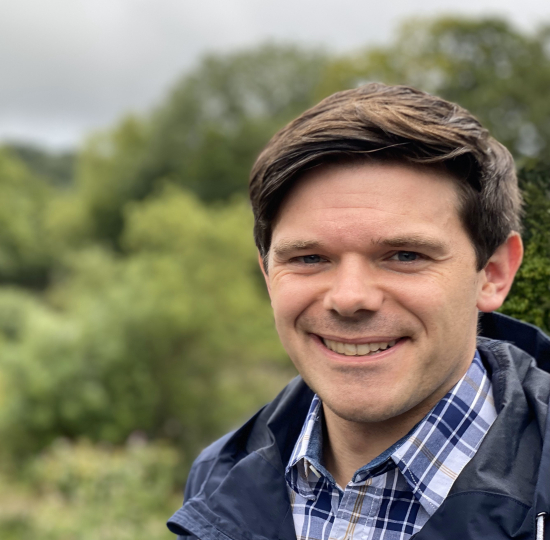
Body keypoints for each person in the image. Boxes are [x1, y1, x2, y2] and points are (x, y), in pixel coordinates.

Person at [167, 83, 550, 540]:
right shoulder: (219, 478)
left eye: (405, 255)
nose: (349, 298)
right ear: (269, 275)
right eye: (309, 258)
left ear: (493, 273)